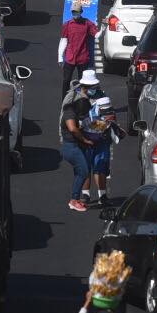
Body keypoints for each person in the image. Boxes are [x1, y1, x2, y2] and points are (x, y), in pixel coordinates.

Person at [59, 69, 100, 211]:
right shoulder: (70, 108)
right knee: (83, 171)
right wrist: (85, 139)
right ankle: (74, 199)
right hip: (71, 146)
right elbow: (72, 128)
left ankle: (76, 198)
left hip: (76, 145)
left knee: (80, 171)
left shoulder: (81, 105)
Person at [58, 0, 97, 97]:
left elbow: (96, 35)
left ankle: (82, 101)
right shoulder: (67, 24)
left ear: (81, 12)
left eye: (77, 12)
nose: (75, 13)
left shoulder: (87, 23)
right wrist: (60, 57)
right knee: (66, 80)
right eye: (73, 12)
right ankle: (64, 102)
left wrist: (105, 27)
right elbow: (63, 40)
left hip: (83, 58)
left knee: (82, 82)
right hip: (70, 58)